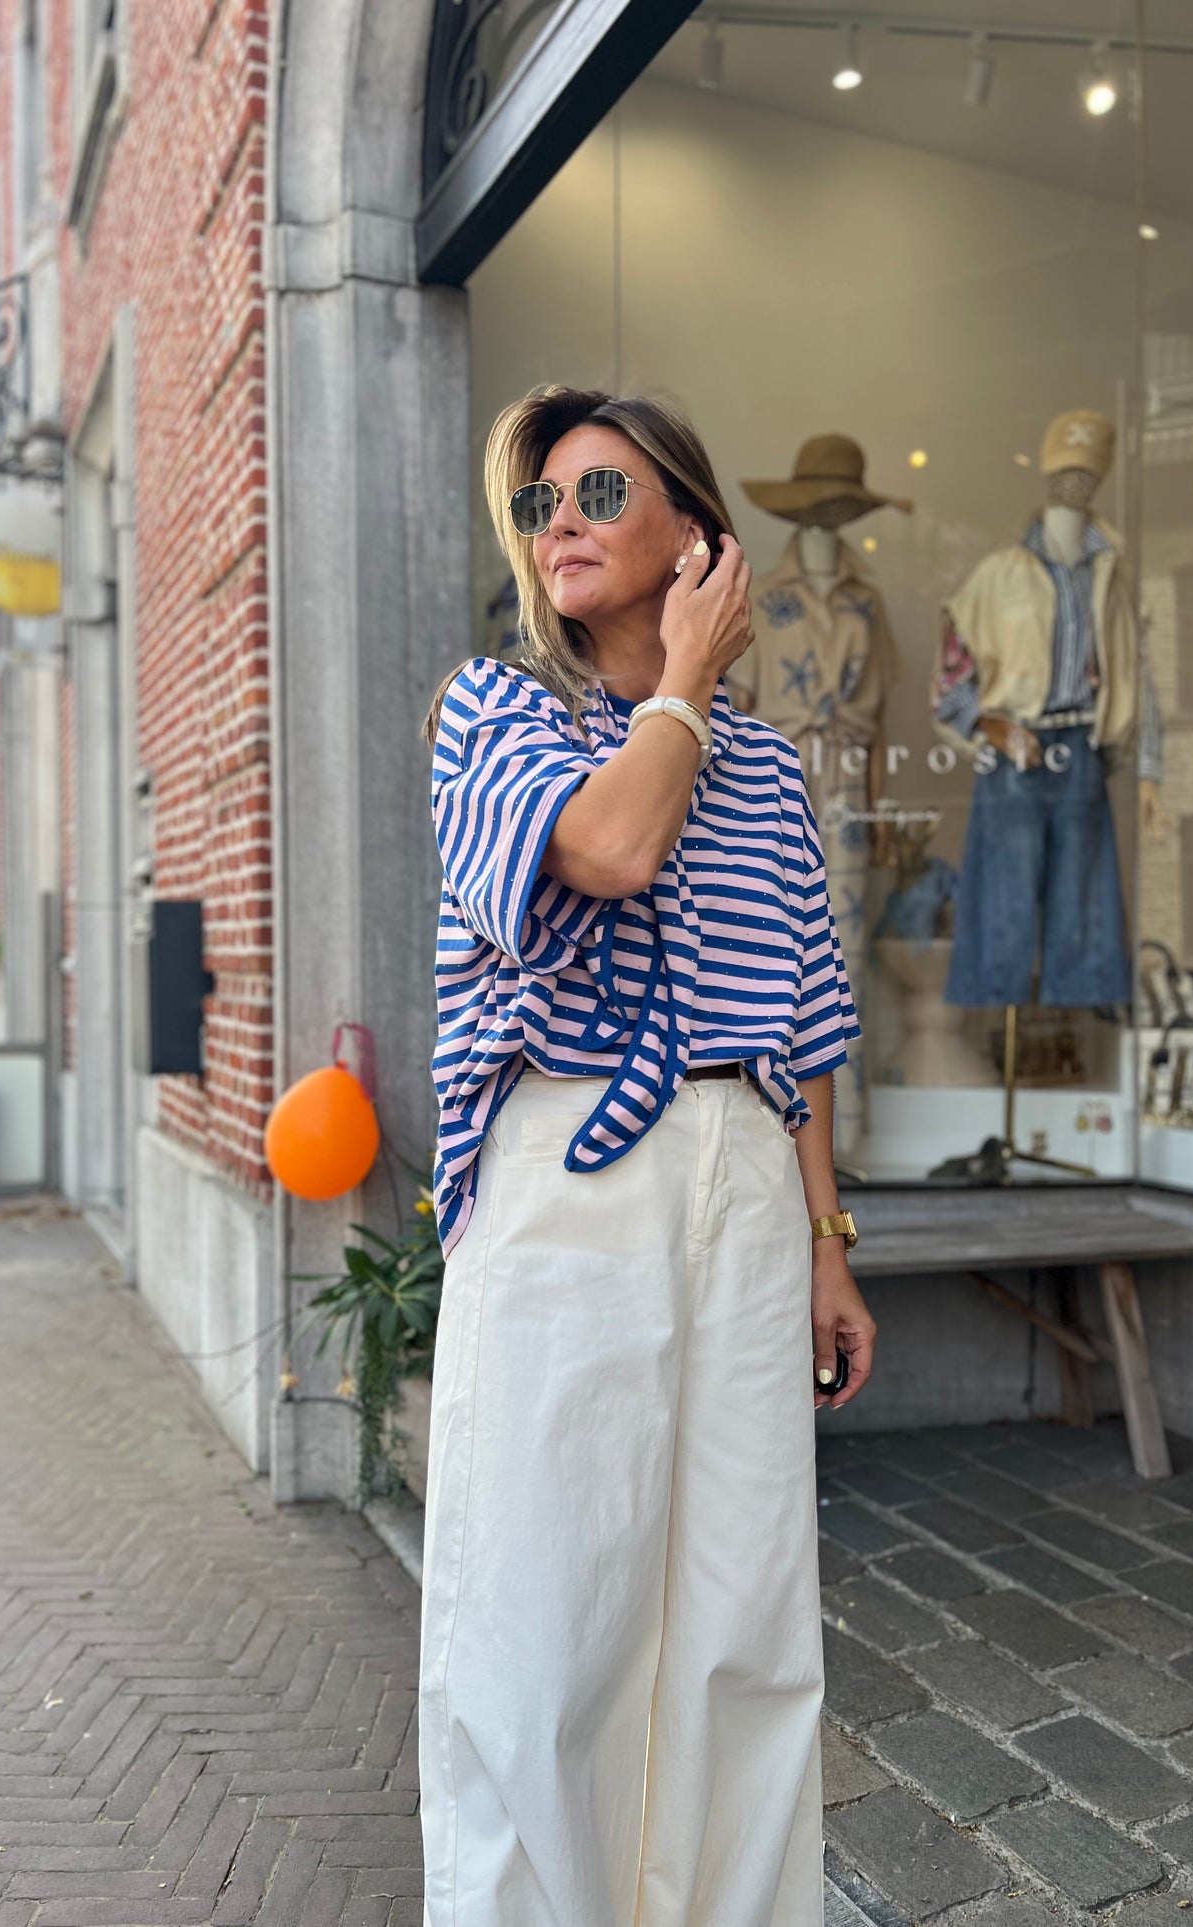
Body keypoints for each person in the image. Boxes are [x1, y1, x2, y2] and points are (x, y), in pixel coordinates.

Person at [416, 384, 877, 1927]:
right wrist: (678, 686)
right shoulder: (492, 715)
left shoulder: (770, 775)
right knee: (548, 1627)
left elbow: (802, 1032)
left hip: (741, 1181)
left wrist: (827, 1248)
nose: (562, 523)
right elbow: (607, 853)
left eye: (603, 495)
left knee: (745, 1629)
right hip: (567, 1176)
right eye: (545, 501)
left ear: (697, 536)